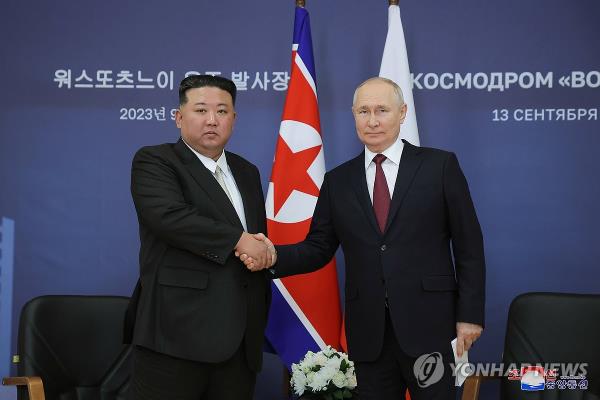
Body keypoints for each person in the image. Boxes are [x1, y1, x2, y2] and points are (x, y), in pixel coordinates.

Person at [241, 77, 486, 399]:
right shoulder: (338, 181)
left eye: (382, 110)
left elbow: (469, 246)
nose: (372, 121)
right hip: (369, 333)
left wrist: (469, 316)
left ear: (402, 113)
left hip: (430, 327)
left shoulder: (439, 166)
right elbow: (318, 248)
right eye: (363, 111)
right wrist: (271, 255)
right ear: (353, 115)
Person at [127, 74, 274, 400]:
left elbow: (255, 237)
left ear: (234, 119)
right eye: (200, 110)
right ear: (179, 117)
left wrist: (261, 250)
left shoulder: (247, 171)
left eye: (222, 111)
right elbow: (170, 218)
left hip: (240, 342)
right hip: (176, 336)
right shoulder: (156, 160)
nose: (212, 120)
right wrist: (240, 241)